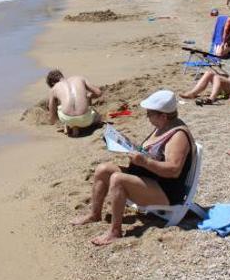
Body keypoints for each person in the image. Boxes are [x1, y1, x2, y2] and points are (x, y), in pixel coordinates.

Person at [71, 90, 194, 247]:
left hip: (166, 192)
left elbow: (173, 170)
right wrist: (129, 145)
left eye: (150, 113)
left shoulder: (178, 136)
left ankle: (115, 232)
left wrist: (144, 162)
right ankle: (94, 214)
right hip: (151, 179)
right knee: (103, 169)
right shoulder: (163, 126)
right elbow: (154, 153)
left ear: (163, 116)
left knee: (118, 179)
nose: (147, 116)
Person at [46, 70, 101, 137]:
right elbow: (98, 92)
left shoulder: (54, 89)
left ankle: (70, 125)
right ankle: (77, 124)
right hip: (85, 119)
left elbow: (52, 119)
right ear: (61, 76)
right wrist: (89, 96)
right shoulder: (80, 78)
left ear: (52, 83)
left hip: (68, 119)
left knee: (60, 107)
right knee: (97, 117)